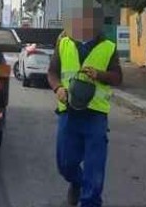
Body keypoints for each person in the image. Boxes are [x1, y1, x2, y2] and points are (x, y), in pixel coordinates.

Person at [47, 17, 122, 207]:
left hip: (95, 115)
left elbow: (118, 77)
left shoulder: (108, 46)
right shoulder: (64, 42)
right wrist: (58, 89)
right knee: (65, 163)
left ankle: (90, 201)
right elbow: (52, 73)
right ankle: (77, 182)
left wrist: (100, 74)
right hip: (69, 111)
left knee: (94, 166)